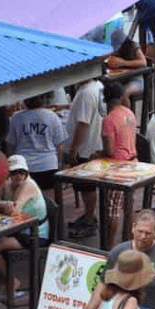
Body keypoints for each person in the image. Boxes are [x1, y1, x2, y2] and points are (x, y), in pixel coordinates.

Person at [0, 154, 49, 297]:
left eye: (22, 172)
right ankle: (5, 284)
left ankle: (11, 282)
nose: (19, 176)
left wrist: (1, 206)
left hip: (34, 234)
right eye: (14, 172)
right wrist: (2, 204)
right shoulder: (6, 183)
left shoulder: (28, 185)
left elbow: (14, 210)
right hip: (17, 230)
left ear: (26, 173)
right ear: (8, 174)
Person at [62, 78, 104, 238]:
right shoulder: (97, 86)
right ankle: (88, 215)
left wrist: (74, 149)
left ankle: (89, 220)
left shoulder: (86, 93)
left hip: (85, 149)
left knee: (87, 187)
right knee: (86, 186)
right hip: (92, 145)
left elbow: (83, 124)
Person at [101, 81, 139, 247]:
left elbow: (109, 151)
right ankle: (130, 241)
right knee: (128, 205)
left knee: (112, 209)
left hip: (118, 168)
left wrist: (96, 155)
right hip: (133, 162)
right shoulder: (129, 113)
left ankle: (109, 246)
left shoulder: (109, 119)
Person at [5, 93, 65, 193]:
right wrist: (60, 164)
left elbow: (10, 145)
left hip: (25, 165)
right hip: (48, 164)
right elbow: (60, 145)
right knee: (48, 199)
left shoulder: (17, 117)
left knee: (25, 197)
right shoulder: (52, 116)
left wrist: (11, 166)